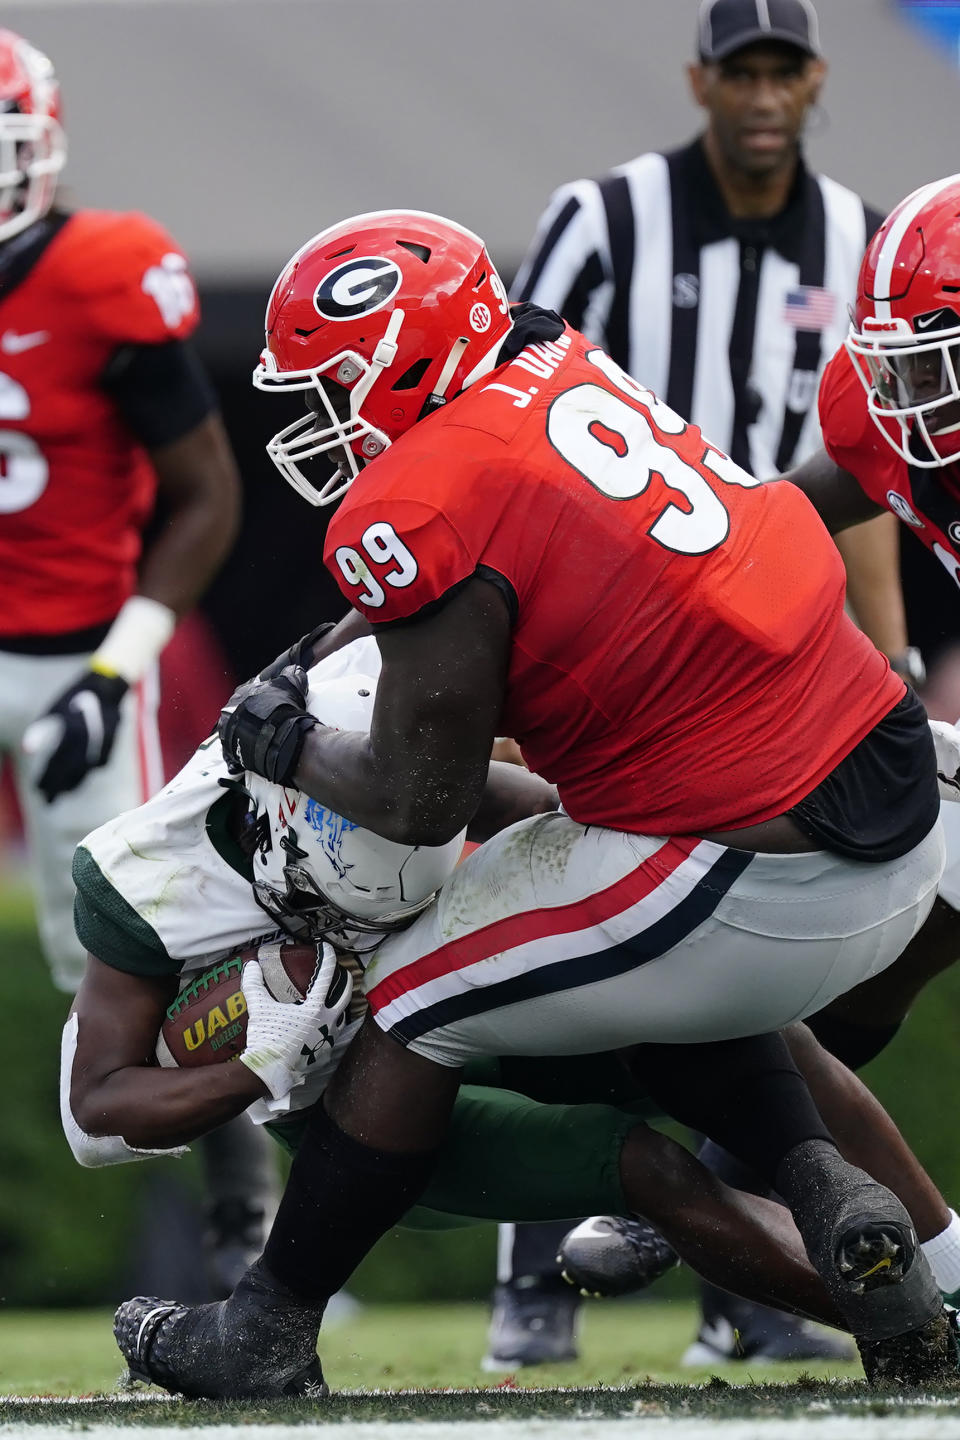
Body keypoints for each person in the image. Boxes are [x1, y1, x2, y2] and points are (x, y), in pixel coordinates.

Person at [110, 207, 955, 1398]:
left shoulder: (427, 495)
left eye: (335, 385)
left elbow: (418, 802)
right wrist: (319, 657)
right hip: (878, 787)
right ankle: (828, 1191)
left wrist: (284, 741)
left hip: (755, 862)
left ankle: (269, 1323)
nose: (317, 421)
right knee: (628, 948)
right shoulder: (553, 362)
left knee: (411, 1002)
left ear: (410, 363)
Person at [59, 636, 960, 1389]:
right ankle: (917, 1330)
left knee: (722, 1024)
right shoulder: (153, 878)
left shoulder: (410, 759)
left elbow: (557, 809)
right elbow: (95, 1114)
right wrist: (258, 1068)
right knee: (644, 1167)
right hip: (354, 1107)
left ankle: (939, 1282)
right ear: (282, 806)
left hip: (468, 1008)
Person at [502, 0, 919, 1367]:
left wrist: (895, 660)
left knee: (801, 950)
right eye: (738, 69)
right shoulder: (609, 217)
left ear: (813, 80)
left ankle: (739, 1250)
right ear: (701, 80)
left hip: (779, 640)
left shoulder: (864, 241)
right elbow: (514, 415)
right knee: (567, 916)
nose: (759, 93)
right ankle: (542, 1273)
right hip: (622, 627)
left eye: (780, 68)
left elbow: (867, 487)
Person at [551, 169, 960, 1331]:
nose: (905, 388)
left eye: (934, 354)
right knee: (899, 938)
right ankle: (752, 1162)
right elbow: (769, 527)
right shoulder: (894, 416)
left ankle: (734, 1167)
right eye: (899, 354)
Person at [0, 28, 274, 1297]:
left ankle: (238, 1202)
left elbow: (207, 495)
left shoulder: (108, 273)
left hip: (72, 659)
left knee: (119, 945)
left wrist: (120, 672)